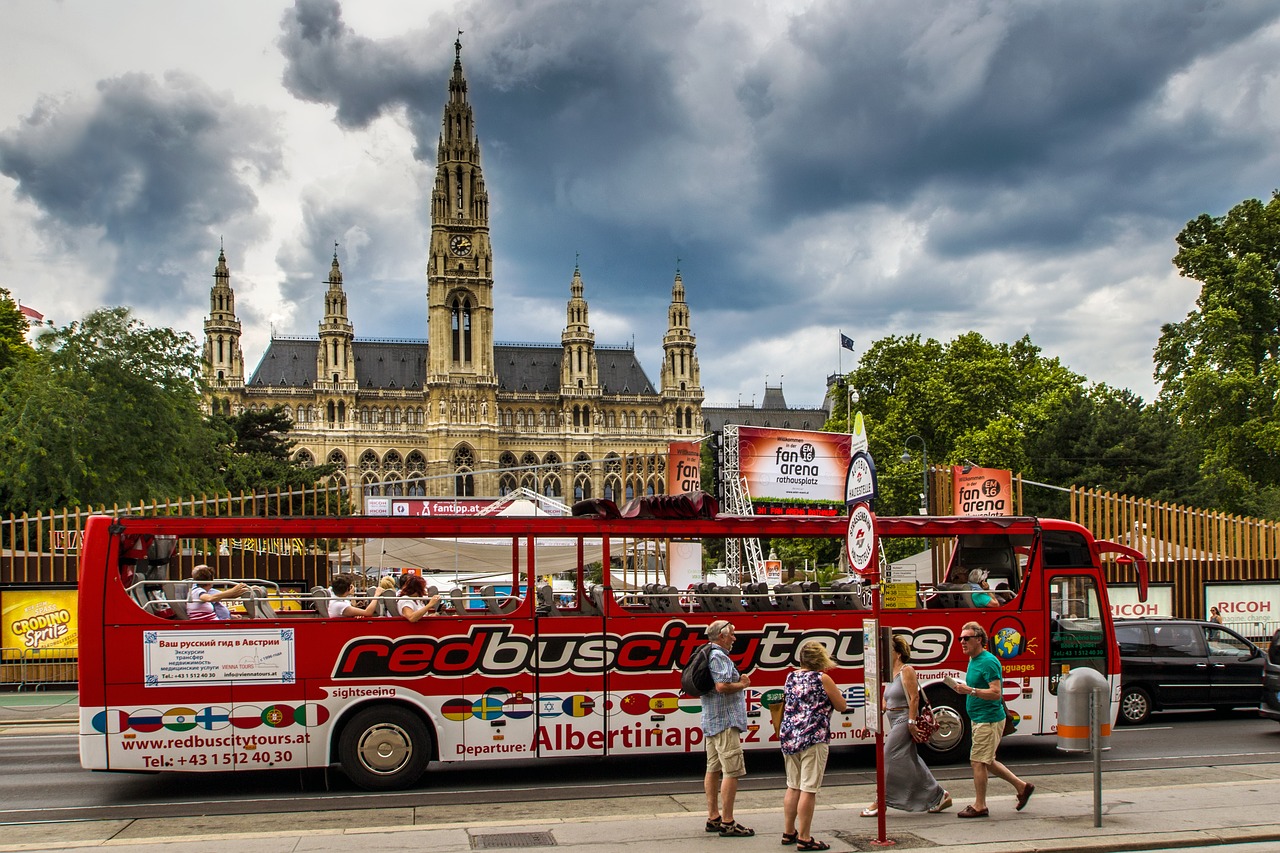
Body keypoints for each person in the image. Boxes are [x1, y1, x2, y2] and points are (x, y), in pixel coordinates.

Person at [862, 634, 951, 817]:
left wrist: (911, 722)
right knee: (911, 760)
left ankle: (881, 800)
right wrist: (870, 723)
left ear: (898, 653)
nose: (884, 653)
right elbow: (885, 704)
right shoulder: (890, 674)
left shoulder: (906, 670)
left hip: (903, 719)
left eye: (889, 649)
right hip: (893, 719)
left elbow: (914, 698)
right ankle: (940, 795)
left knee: (887, 756)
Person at [953, 621, 1034, 818]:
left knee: (978, 762)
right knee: (987, 760)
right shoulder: (974, 659)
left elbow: (996, 693)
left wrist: (970, 690)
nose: (962, 642)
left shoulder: (987, 661)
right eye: (960, 638)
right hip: (979, 718)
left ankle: (980, 806)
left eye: (966, 638)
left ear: (979, 640)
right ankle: (1022, 787)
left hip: (987, 719)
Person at [780, 640, 848, 851]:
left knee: (793, 785)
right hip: (813, 737)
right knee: (808, 788)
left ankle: (788, 832)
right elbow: (841, 705)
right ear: (821, 659)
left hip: (790, 737)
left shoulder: (791, 676)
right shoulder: (823, 678)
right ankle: (805, 837)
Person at [701, 619, 754, 838]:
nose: (734, 637)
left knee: (712, 768)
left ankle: (714, 817)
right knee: (731, 771)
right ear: (721, 636)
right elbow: (722, 686)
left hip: (712, 721)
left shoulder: (707, 652)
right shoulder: (719, 656)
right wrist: (743, 684)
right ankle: (728, 822)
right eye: (731, 634)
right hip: (725, 722)